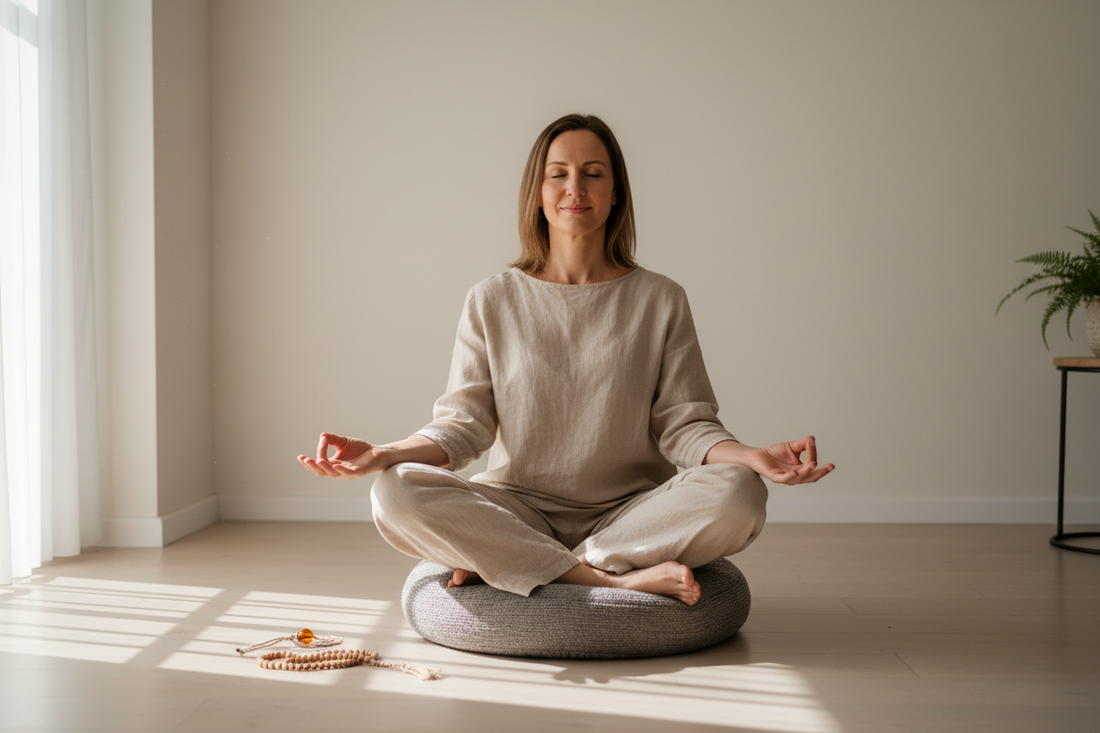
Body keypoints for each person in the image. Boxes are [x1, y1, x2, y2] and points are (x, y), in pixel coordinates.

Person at [298, 114, 833, 606]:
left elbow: (686, 424)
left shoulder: (660, 299)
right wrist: (383, 453)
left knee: (740, 491)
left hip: (632, 513)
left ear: (616, 192)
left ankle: (523, 565)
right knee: (394, 491)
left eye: (592, 173)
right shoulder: (492, 298)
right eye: (558, 174)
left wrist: (752, 455)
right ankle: (605, 579)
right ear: (537, 192)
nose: (575, 188)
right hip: (517, 508)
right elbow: (464, 426)